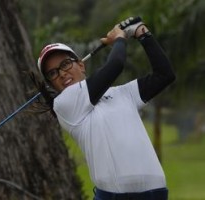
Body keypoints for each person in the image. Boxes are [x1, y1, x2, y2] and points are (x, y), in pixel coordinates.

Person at [36, 17, 175, 200]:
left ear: (81, 64)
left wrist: (142, 33)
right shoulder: (64, 104)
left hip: (156, 194)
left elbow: (164, 75)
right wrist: (119, 38)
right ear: (51, 85)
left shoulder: (122, 93)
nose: (62, 73)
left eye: (65, 63)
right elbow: (115, 65)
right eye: (53, 73)